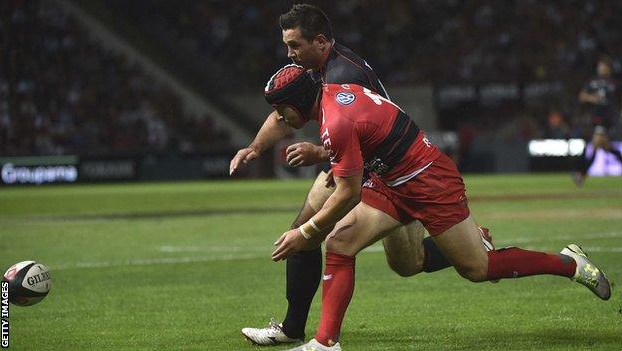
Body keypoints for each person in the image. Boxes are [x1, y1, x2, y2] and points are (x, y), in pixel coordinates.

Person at [261, 64, 611, 351]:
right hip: (394, 180)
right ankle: (325, 343)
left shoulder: (334, 120)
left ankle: (569, 263)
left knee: (478, 269)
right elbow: (367, 135)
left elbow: (348, 193)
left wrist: (305, 231)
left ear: (296, 102)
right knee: (341, 242)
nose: (280, 117)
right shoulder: (333, 98)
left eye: (280, 109)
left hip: (429, 182)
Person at [230, 4, 493, 346]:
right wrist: (254, 147)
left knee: (405, 262)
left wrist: (319, 153)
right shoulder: (313, 68)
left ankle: (475, 240)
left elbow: (361, 135)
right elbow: (284, 115)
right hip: (360, 167)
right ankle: (292, 328)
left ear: (321, 42)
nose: (289, 54)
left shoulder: (342, 76)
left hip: (385, 172)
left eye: (295, 45)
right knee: (305, 234)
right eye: (287, 45)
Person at [573, 55, 622, 186]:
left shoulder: (614, 83)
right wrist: (593, 98)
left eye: (604, 66)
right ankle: (581, 176)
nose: (601, 68)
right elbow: (582, 96)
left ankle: (581, 175)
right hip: (597, 118)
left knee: (596, 144)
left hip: (608, 118)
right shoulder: (593, 82)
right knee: (605, 146)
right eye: (600, 66)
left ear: (609, 69)